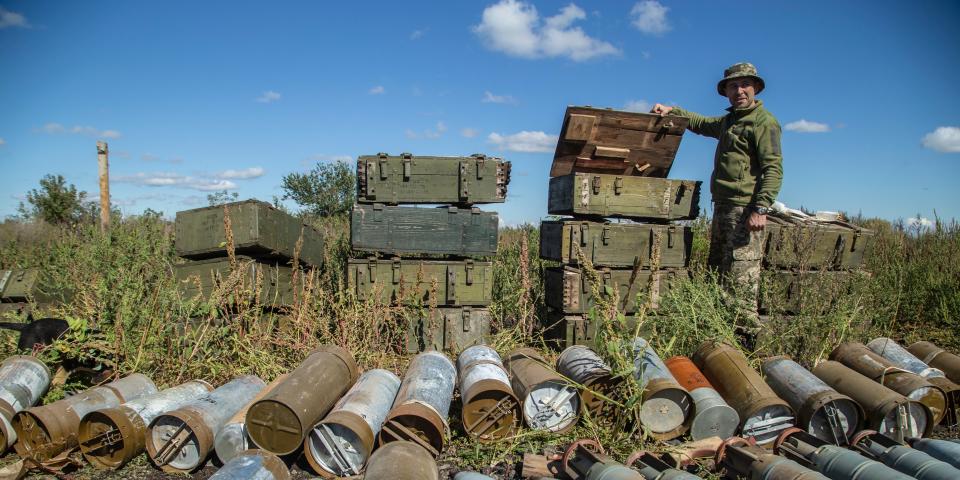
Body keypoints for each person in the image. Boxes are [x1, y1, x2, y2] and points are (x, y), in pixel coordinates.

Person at [651, 62, 783, 341]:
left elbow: (773, 168)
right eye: (733, 86)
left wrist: (761, 208)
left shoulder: (763, 122)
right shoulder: (729, 122)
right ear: (726, 92)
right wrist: (673, 111)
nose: (739, 90)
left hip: (746, 210)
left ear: (756, 88)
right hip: (724, 209)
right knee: (719, 277)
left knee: (741, 281)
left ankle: (750, 351)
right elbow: (699, 123)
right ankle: (723, 345)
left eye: (745, 84)